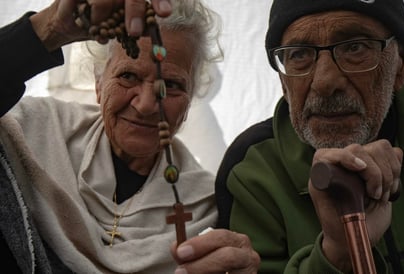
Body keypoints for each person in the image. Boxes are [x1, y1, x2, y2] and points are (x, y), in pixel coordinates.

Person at [0, 0, 261, 273]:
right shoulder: (33, 131)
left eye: (171, 85)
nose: (146, 105)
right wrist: (49, 29)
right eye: (128, 76)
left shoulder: (207, 207)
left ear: (191, 98)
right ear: (99, 83)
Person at [215, 0, 404, 273]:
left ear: (401, 65)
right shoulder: (254, 172)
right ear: (284, 83)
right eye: (298, 54)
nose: (324, 82)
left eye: (355, 47)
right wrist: (338, 253)